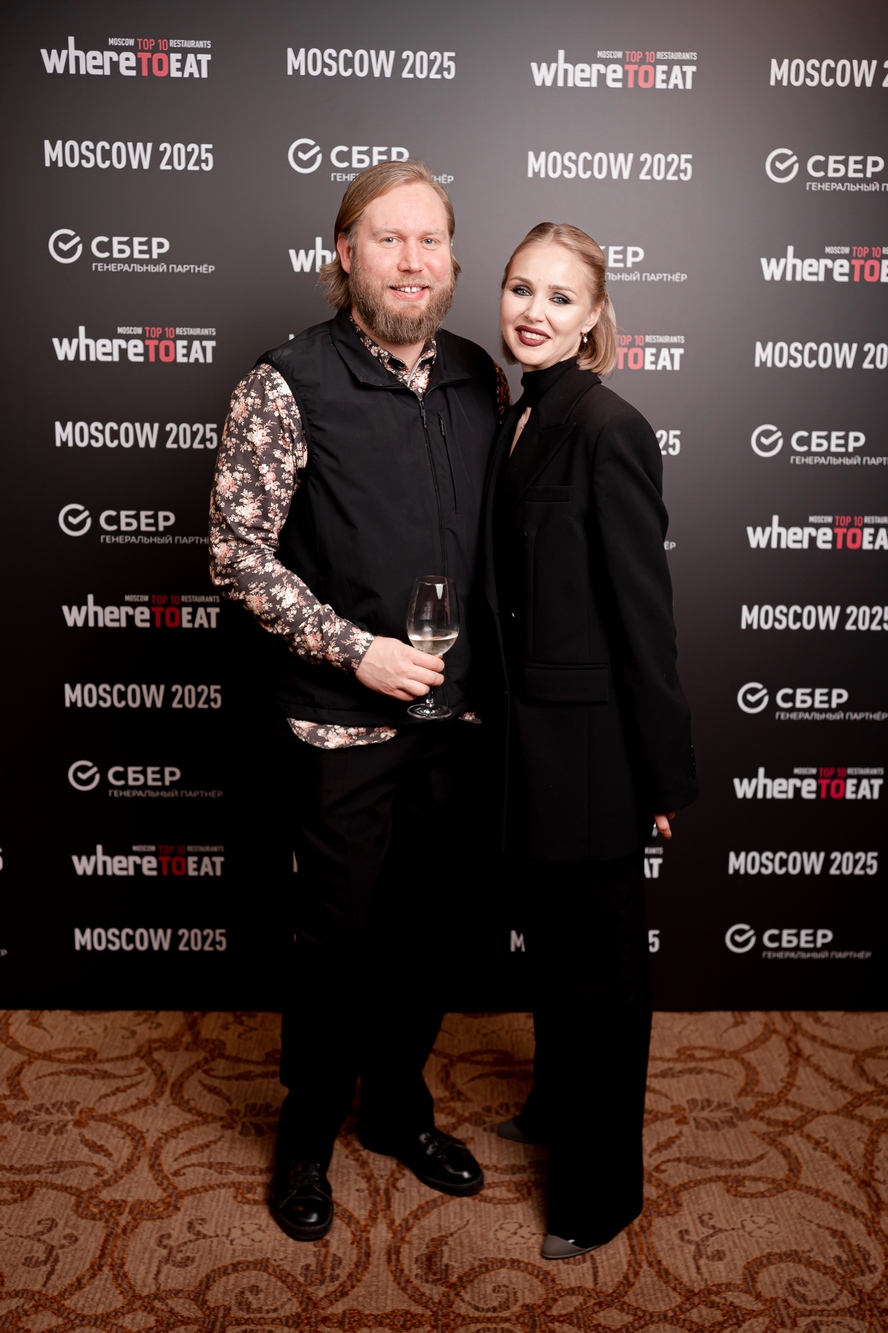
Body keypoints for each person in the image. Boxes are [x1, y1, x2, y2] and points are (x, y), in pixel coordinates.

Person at [209, 161, 508, 1242]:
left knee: (428, 933)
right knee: (336, 941)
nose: (412, 261)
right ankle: (306, 1133)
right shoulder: (284, 382)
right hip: (339, 721)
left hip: (458, 720)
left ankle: (398, 1108)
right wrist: (357, 651)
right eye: (389, 239)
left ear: (452, 259)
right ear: (345, 253)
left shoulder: (480, 376)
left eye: (430, 240)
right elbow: (236, 554)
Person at [485, 223, 697, 1260]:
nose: (535, 312)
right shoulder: (519, 416)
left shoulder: (613, 427)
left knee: (601, 981)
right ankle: (554, 1102)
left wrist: (659, 774)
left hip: (595, 758)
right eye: (522, 289)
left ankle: (599, 1194)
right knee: (555, 954)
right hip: (525, 749)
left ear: (595, 317)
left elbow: (642, 618)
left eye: (561, 298)